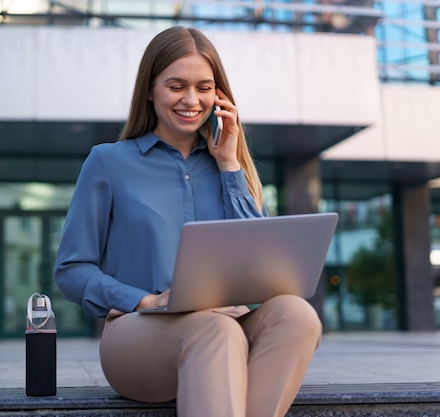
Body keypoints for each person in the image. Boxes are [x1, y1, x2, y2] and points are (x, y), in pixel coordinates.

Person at [54, 26, 322, 417]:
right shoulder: (108, 162)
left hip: (228, 326)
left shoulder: (231, 169)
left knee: (297, 314)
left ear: (219, 95)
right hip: (139, 335)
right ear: (150, 89)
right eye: (176, 86)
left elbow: (264, 269)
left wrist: (229, 165)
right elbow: (72, 270)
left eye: (204, 87)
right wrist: (145, 300)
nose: (191, 100)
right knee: (217, 331)